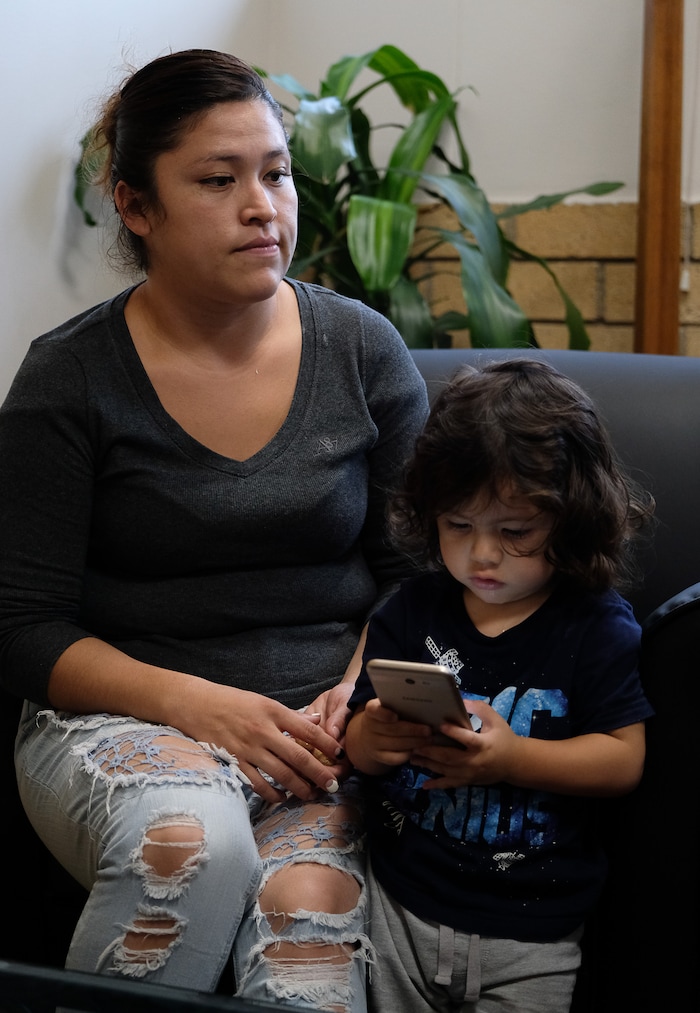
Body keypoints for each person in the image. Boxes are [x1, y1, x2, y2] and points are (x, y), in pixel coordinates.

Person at [0, 49, 429, 1012]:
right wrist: (202, 705)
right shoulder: (68, 378)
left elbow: (420, 576)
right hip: (124, 716)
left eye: (275, 173)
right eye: (217, 179)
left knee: (306, 930)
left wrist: (363, 689)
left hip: (320, 732)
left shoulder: (363, 349)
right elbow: (19, 626)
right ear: (135, 206)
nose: (261, 204)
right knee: (191, 845)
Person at [345, 358, 655, 1012]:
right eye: (458, 526)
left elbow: (624, 758)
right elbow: (357, 748)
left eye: (513, 532)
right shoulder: (412, 611)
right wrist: (374, 734)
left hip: (532, 932)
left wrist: (514, 758)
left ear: (571, 519)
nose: (482, 554)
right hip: (402, 907)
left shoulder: (596, 627)